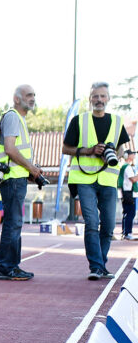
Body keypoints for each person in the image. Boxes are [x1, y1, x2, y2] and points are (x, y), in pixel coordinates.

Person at [63, 82, 133, 280]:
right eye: (95, 96)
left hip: (109, 179)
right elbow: (65, 148)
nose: (99, 100)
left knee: (109, 225)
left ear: (108, 99)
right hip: (84, 179)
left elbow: (120, 148)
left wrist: (115, 153)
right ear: (90, 99)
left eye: (103, 96)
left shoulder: (117, 121)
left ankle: (101, 263)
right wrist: (89, 151)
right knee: (92, 222)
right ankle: (95, 267)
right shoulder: (79, 120)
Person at [0, 85, 45, 281]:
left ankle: (11, 265)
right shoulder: (13, 117)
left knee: (14, 223)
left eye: (34, 94)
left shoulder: (17, 118)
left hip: (15, 177)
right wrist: (31, 168)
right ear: (17, 99)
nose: (32, 98)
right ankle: (6, 267)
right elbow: (10, 149)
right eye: (28, 95)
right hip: (12, 179)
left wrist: (29, 171)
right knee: (13, 223)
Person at [120, 152, 138, 241]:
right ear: (128, 156)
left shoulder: (126, 167)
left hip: (127, 192)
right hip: (128, 192)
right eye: (133, 154)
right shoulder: (127, 167)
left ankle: (126, 232)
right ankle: (127, 232)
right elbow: (133, 179)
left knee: (128, 212)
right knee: (130, 213)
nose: (134, 156)